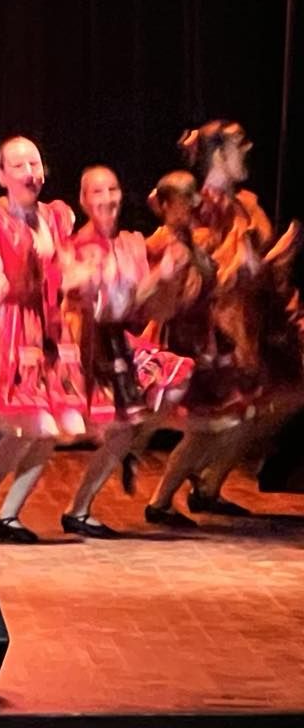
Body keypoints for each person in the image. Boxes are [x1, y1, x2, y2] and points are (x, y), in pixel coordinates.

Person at [56, 165, 194, 537]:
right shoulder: (77, 249)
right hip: (84, 343)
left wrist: (170, 274)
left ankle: (79, 507)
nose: (107, 199)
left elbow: (143, 308)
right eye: (97, 192)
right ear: (84, 200)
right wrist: (158, 276)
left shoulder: (130, 244)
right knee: (48, 432)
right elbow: (107, 307)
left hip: (114, 340)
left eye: (113, 189)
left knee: (168, 385)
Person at [0, 137, 80, 543]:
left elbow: (66, 267)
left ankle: (6, 509)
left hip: (49, 329)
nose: (30, 172)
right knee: (30, 426)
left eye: (35, 163)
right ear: (1, 174)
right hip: (8, 327)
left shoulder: (57, 217)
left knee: (51, 429)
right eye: (19, 165)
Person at [180, 121, 301, 514]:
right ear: (218, 155)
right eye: (238, 146)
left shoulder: (246, 203)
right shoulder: (202, 206)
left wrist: (274, 257)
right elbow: (205, 269)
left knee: (280, 400)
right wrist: (247, 264)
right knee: (231, 411)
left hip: (252, 317)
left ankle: (208, 482)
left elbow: (257, 263)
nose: (247, 151)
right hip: (221, 322)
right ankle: (175, 490)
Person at [141, 170, 247, 527]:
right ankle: (160, 499)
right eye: (184, 199)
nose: (192, 205)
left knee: (221, 423)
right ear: (167, 204)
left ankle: (168, 496)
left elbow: (207, 286)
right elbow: (161, 298)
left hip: (199, 340)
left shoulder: (191, 239)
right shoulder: (163, 243)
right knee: (204, 426)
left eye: (193, 198)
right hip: (178, 343)